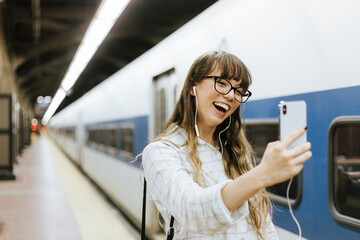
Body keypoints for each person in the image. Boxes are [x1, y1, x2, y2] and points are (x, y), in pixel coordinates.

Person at [142, 51, 311, 239]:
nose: (231, 95)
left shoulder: (237, 152)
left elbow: (262, 223)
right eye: (221, 83)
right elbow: (192, 212)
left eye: (239, 91)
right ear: (192, 86)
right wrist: (262, 174)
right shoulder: (161, 152)